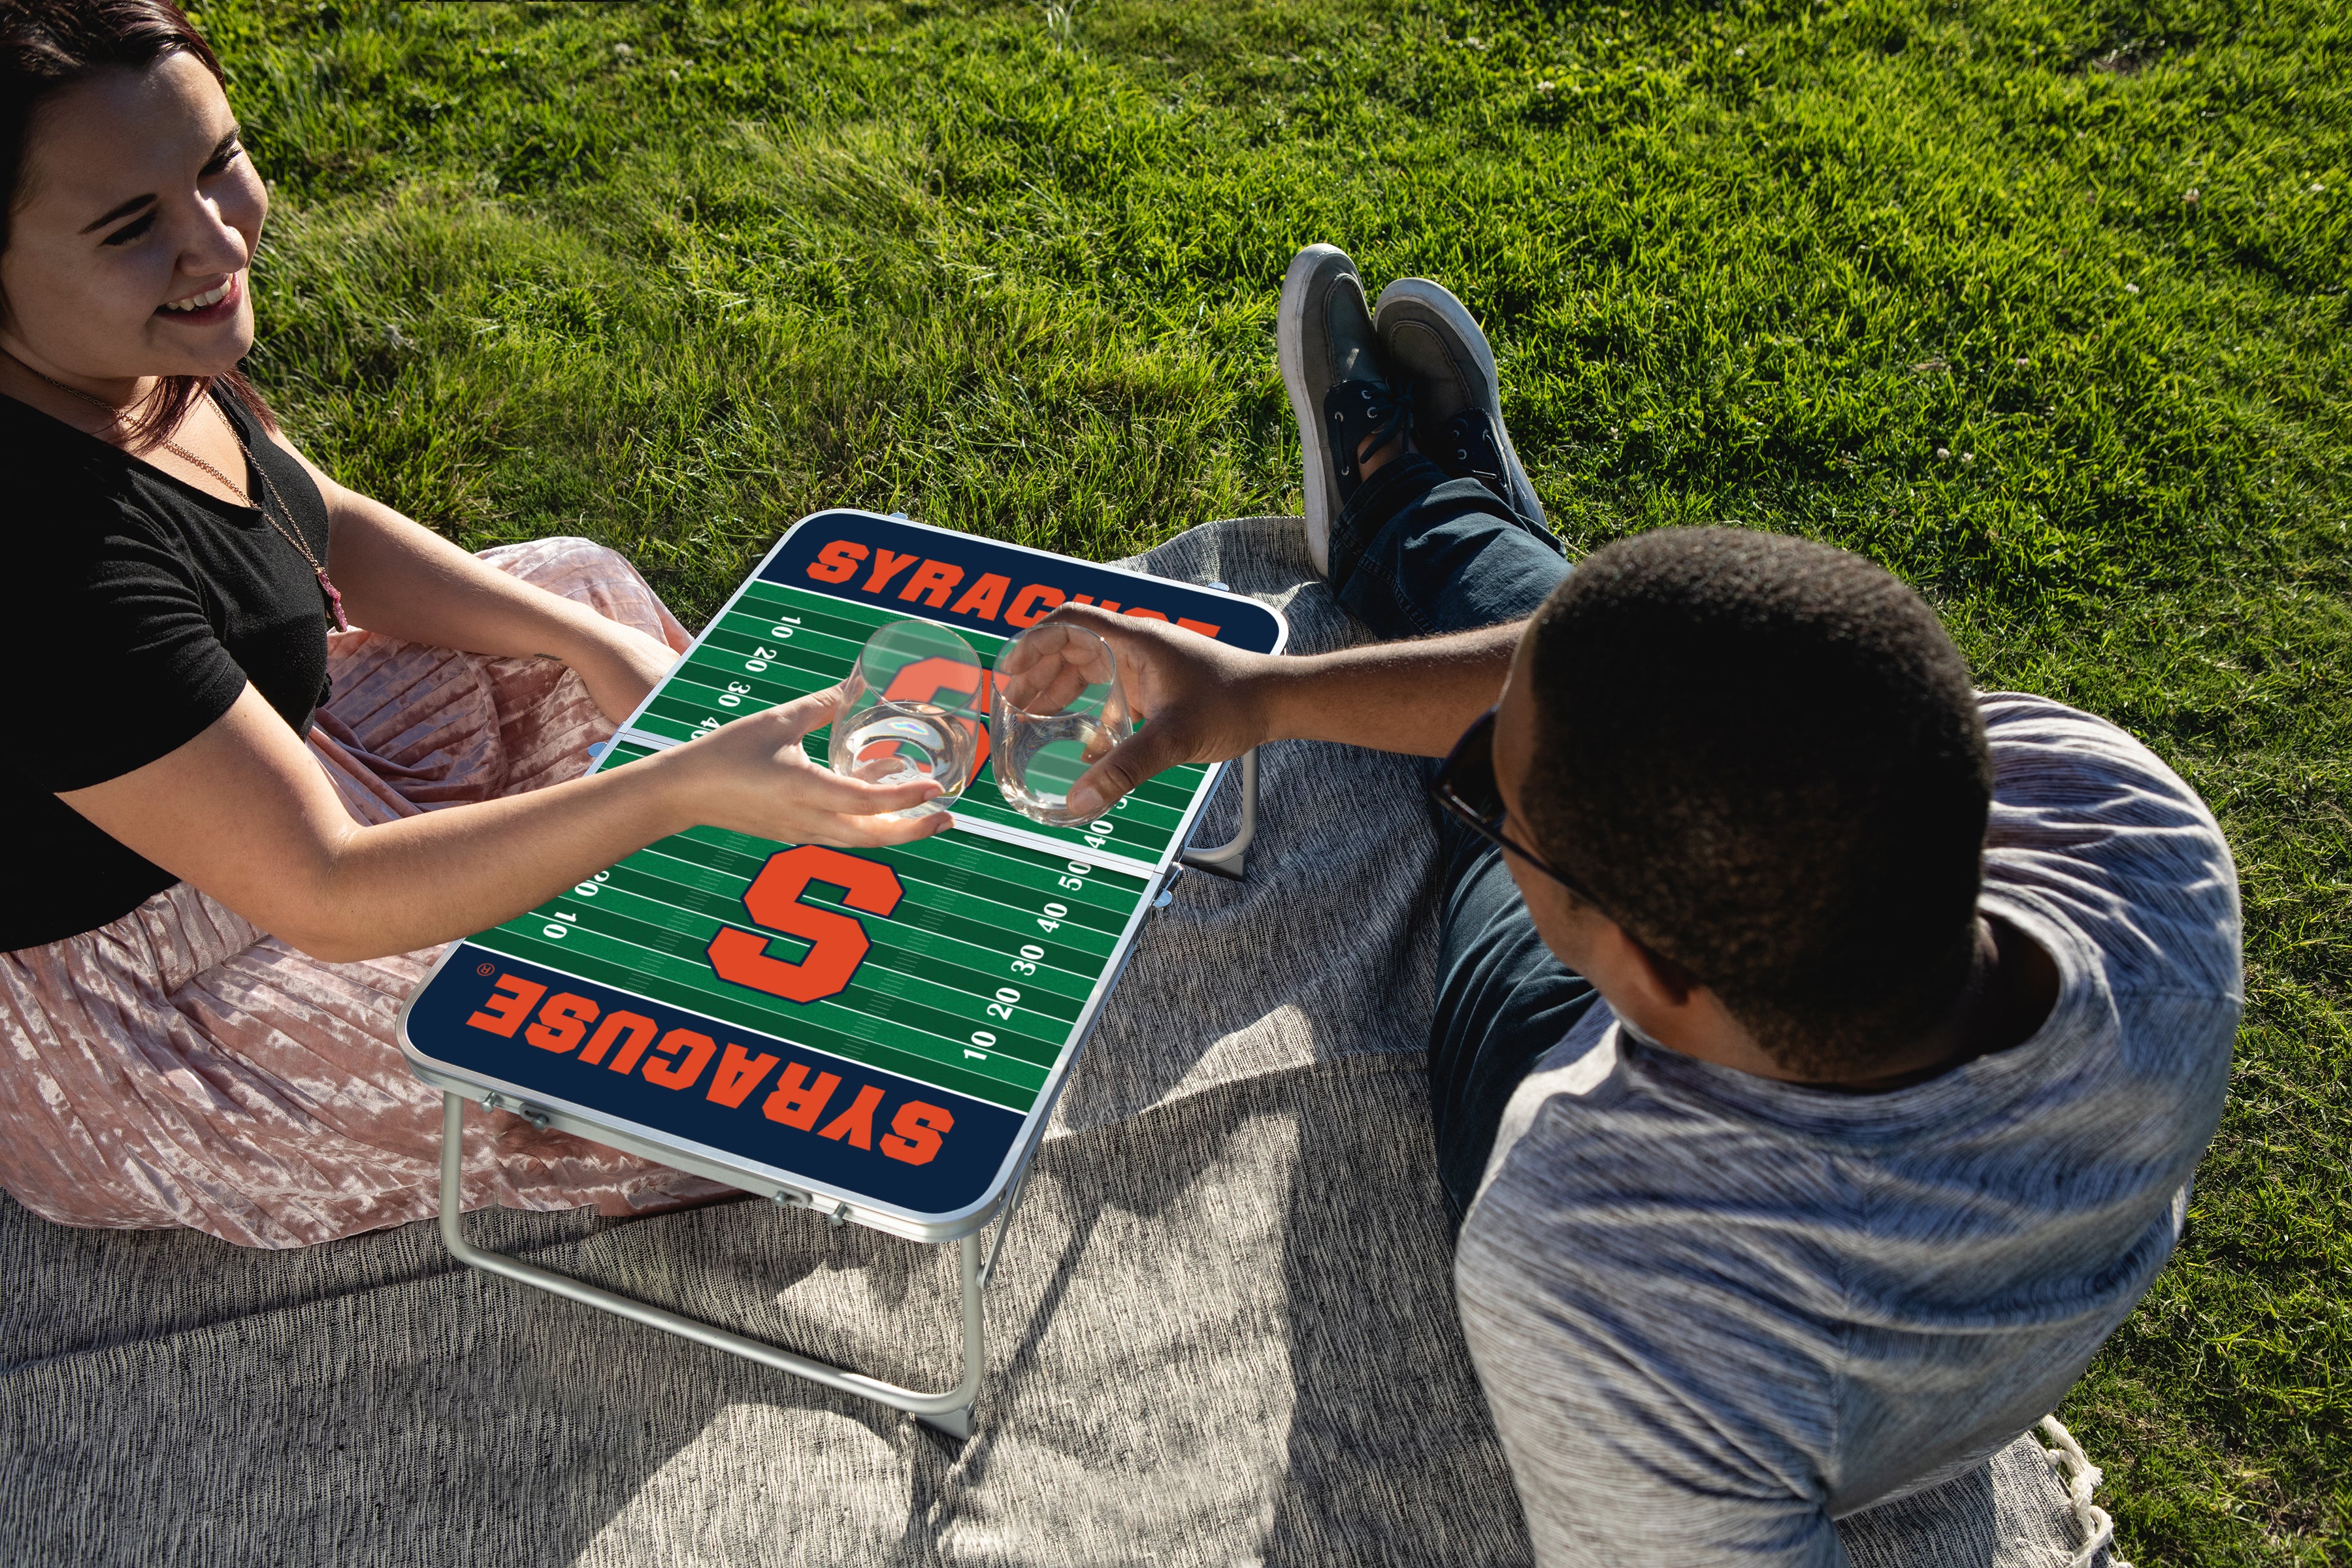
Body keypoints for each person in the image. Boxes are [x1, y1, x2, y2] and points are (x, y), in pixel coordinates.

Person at [1047, 243, 2240, 1564]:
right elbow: (1708, 694)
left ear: (1645, 970)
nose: (1479, 806)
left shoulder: (1602, 1262)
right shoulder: (2132, 826)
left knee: (1541, 753)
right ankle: (1446, 527)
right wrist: (1259, 698)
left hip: (1573, 1075)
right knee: (1623, 672)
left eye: (1496, 810)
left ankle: (1428, 521)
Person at [0, 0, 943, 1248]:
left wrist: (588, 645)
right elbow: (327, 892)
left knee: (576, 587)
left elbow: (308, 517)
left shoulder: (121, 354)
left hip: (284, 777)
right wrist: (672, 791)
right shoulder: (41, 554)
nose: (217, 237)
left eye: (219, 161)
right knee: (664, 1052)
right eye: (132, 226)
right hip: (162, 1006)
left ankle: (733, 837)